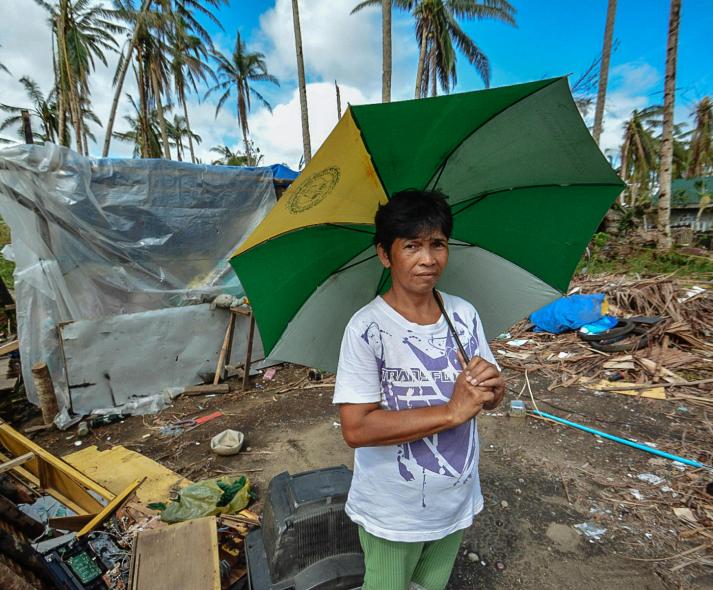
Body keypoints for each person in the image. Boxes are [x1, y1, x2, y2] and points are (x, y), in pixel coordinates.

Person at [333, 189, 505, 590]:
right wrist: (451, 412)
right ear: (384, 254)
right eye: (412, 245)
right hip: (395, 511)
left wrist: (494, 389)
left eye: (438, 244)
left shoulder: (463, 314)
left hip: (455, 499)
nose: (428, 259)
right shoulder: (366, 329)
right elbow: (356, 429)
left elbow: (491, 398)